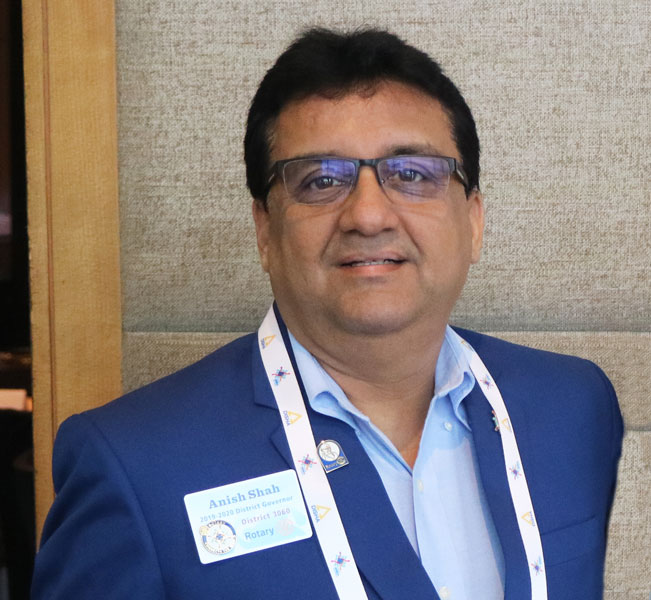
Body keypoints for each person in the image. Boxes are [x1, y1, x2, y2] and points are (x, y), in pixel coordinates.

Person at [31, 28, 622, 600]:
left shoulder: (573, 407)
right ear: (265, 229)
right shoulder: (135, 463)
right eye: (320, 181)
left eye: (411, 174)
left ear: (473, 220)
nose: (368, 215)